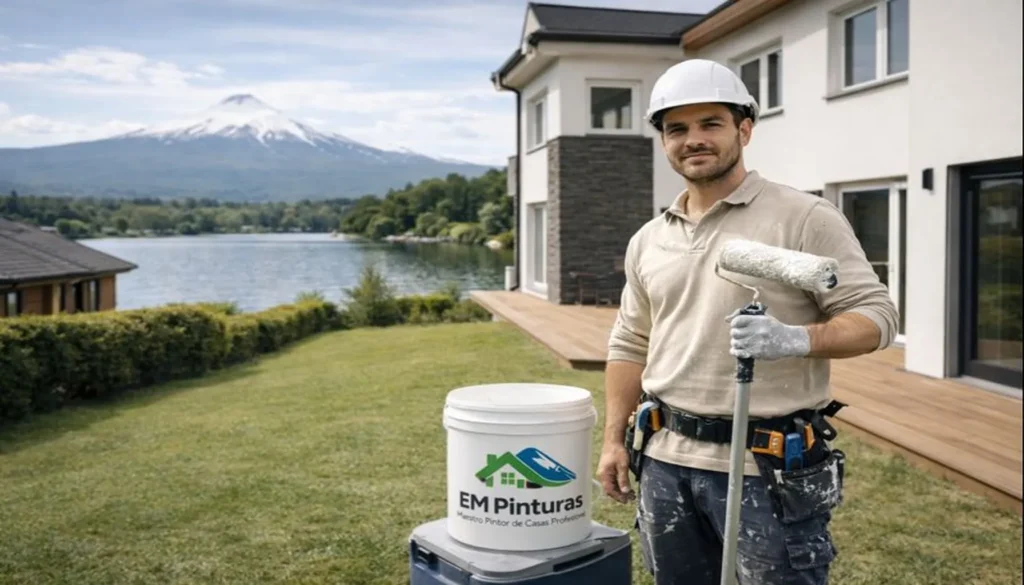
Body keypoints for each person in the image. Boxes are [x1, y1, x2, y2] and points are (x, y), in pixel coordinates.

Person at [596, 58, 899, 585]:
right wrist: (613, 440)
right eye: (677, 129)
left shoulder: (804, 217)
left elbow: (878, 317)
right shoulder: (649, 238)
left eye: (710, 123)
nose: (693, 139)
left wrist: (794, 339)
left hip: (765, 468)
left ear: (745, 129)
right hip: (664, 460)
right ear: (665, 142)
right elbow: (630, 341)